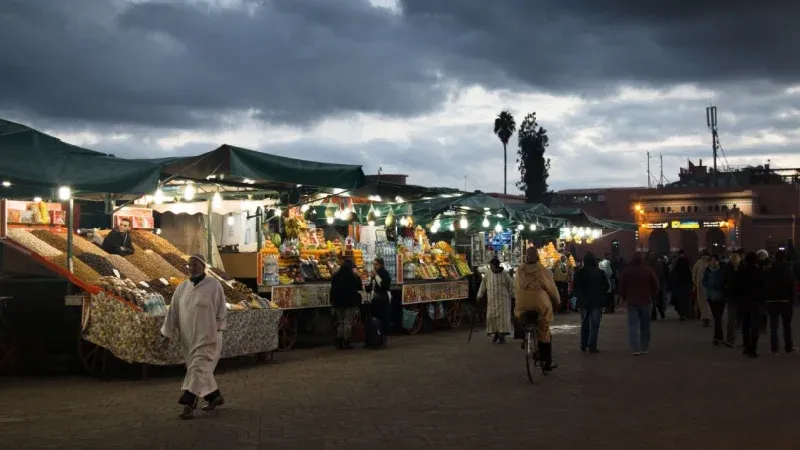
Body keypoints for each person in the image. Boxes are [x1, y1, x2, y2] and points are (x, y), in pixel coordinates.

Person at [161, 254, 226, 420]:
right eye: (189, 265)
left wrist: (217, 328)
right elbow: (173, 312)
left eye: (195, 264)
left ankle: (188, 402)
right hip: (189, 339)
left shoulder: (214, 285)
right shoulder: (182, 288)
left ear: (203, 266)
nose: (192, 267)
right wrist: (167, 334)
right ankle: (214, 396)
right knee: (199, 369)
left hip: (208, 336)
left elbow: (221, 309)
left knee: (198, 368)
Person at [514, 247, 561, 371]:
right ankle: (547, 362)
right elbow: (551, 288)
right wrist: (557, 301)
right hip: (540, 305)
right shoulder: (541, 270)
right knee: (544, 328)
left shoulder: (519, 270)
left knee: (521, 315)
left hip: (522, 305)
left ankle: (524, 337)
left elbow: (515, 286)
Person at [618, 251, 659, 355]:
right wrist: (651, 295)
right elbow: (656, 285)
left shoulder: (627, 271)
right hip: (646, 301)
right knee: (645, 326)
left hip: (632, 302)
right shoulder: (648, 270)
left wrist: (624, 297)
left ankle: (635, 348)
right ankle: (644, 347)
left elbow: (621, 287)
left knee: (633, 325)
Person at [573, 253, 609, 353]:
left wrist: (579, 295)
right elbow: (607, 286)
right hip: (596, 301)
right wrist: (601, 293)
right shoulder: (600, 272)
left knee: (585, 323)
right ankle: (592, 345)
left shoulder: (580, 272)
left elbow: (575, 286)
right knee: (595, 324)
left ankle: (583, 344)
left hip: (584, 301)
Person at [766, 250, 797, 354]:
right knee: (787, 326)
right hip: (785, 301)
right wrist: (792, 300)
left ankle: (774, 349)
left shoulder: (770, 270)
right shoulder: (788, 270)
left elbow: (766, 286)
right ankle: (788, 347)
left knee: (774, 327)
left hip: (772, 301)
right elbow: (792, 286)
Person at [477, 258, 514, 344]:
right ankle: (496, 334)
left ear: (496, 266)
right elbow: (483, 285)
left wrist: (512, 295)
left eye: (491, 266)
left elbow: (511, 286)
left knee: (502, 319)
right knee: (492, 318)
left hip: (503, 301)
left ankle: (502, 336)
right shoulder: (488, 274)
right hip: (492, 300)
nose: (490, 267)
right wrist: (479, 295)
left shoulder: (505, 274)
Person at [330, 258, 363, 350]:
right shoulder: (353, 277)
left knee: (341, 321)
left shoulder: (336, 275)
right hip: (350, 303)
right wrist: (358, 276)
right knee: (348, 322)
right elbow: (359, 288)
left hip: (338, 303)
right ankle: (346, 341)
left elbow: (333, 289)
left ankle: (338, 341)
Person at [738, 252, 766, 358]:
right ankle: (753, 349)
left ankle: (746, 347)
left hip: (744, 302)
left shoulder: (742, 272)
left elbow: (738, 286)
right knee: (754, 327)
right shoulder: (759, 272)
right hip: (756, 302)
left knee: (745, 326)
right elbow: (763, 287)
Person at [702, 255, 727, 345]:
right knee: (716, 317)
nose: (713, 262)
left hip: (721, 297)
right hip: (711, 297)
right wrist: (710, 285)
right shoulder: (707, 270)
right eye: (712, 260)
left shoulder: (722, 270)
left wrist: (720, 286)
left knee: (718, 317)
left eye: (715, 260)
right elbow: (703, 281)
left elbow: (725, 281)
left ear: (718, 261)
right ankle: (718, 336)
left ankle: (717, 336)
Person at [367, 257, 392, 348]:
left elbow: (383, 285)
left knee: (384, 319)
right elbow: (371, 286)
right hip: (375, 300)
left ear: (381, 265)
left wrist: (376, 276)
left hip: (383, 300)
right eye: (373, 264)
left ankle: (385, 340)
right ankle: (377, 339)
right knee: (376, 320)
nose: (374, 266)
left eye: (376, 264)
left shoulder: (384, 274)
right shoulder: (374, 275)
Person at [720, 252, 741, 347]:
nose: (735, 261)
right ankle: (730, 339)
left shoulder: (742, 269)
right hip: (732, 298)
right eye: (734, 259)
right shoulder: (728, 270)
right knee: (732, 320)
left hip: (740, 298)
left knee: (738, 320)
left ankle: (736, 340)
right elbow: (723, 282)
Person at [670, 256, 693, 321]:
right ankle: (684, 314)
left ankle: (681, 314)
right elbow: (690, 279)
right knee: (685, 302)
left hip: (678, 289)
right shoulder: (687, 270)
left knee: (679, 302)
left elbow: (672, 279)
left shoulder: (676, 270)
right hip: (686, 289)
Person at [692, 250, 712, 327]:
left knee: (703, 302)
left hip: (700, 285)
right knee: (710, 302)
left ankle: (705, 317)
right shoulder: (712, 262)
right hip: (711, 286)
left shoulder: (698, 263)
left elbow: (694, 274)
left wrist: (695, 283)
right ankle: (709, 317)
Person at [647, 253, 667, 321]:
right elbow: (662, 275)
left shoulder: (649, 265)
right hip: (658, 284)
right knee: (659, 300)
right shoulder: (659, 264)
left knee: (653, 301)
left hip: (651, 285)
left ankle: (654, 315)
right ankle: (661, 313)